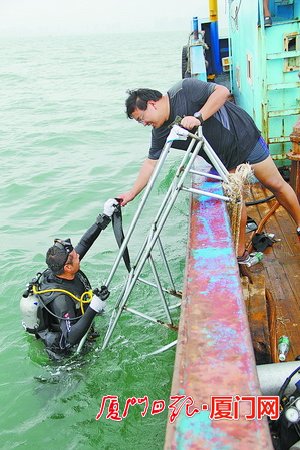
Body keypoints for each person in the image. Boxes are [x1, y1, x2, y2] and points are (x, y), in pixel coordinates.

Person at [119, 79, 300, 264]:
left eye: (141, 118)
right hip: (224, 158)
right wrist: (132, 193)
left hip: (244, 139)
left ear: (152, 104)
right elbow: (151, 164)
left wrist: (198, 117)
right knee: (236, 200)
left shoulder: (184, 89)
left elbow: (222, 91)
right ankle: (240, 254)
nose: (143, 124)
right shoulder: (161, 131)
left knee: (276, 184)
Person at [21, 199, 118, 359]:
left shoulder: (61, 267)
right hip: (64, 355)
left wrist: (104, 217)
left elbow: (84, 243)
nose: (78, 255)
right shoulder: (62, 301)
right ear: (67, 267)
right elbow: (70, 339)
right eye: (74, 256)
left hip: (74, 322)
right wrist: (94, 307)